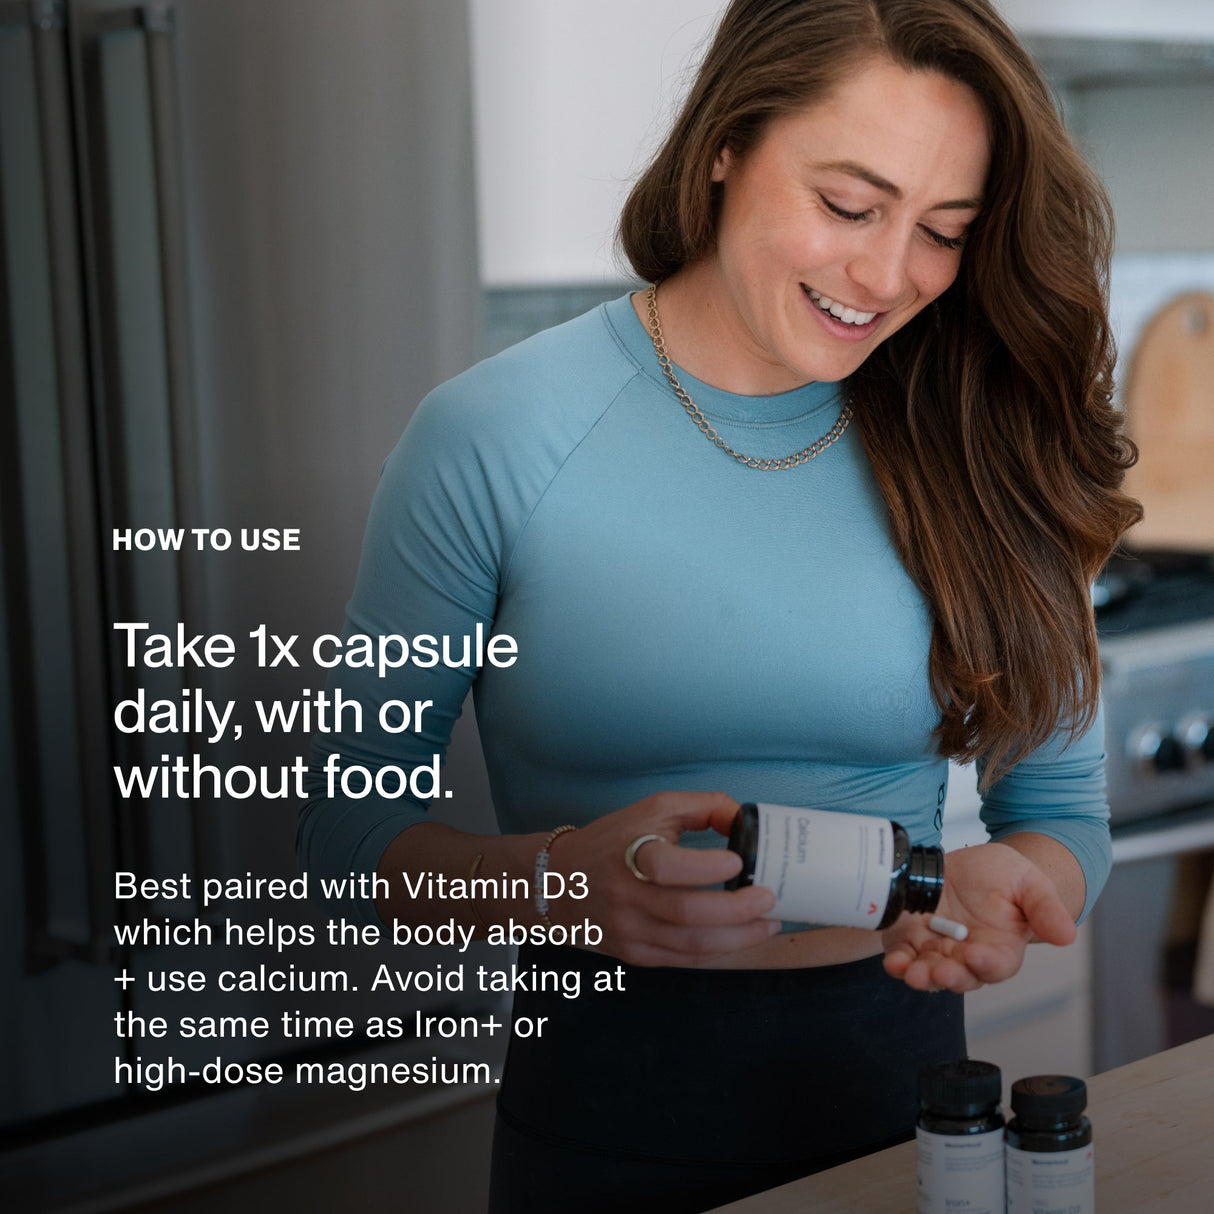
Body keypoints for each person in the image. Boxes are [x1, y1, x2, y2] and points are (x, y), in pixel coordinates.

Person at [299, 1, 1141, 1209]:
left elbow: (1059, 811)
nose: (885, 274)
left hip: (909, 1103)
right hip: (600, 1107)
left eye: (941, 231)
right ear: (723, 144)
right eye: (848, 205)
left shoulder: (979, 431)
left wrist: (1022, 888)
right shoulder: (493, 435)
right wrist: (545, 880)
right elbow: (342, 833)